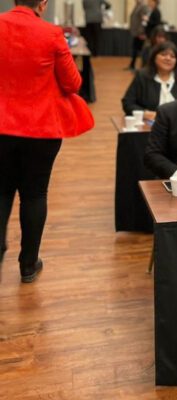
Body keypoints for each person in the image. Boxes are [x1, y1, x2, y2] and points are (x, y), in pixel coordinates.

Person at [0, 0, 94, 282]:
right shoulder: (51, 34)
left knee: (1, 192)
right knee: (35, 195)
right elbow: (73, 83)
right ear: (42, 4)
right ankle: (28, 264)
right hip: (41, 128)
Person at [122, 41, 177, 121]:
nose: (168, 58)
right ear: (154, 57)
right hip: (150, 124)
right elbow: (128, 103)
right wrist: (146, 114)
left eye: (172, 56)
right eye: (163, 54)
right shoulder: (142, 76)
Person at [127, 0, 148, 70]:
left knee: (141, 50)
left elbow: (144, 21)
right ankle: (132, 65)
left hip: (140, 33)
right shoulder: (137, 6)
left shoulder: (143, 6)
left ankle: (143, 66)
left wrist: (142, 32)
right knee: (135, 49)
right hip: (136, 32)